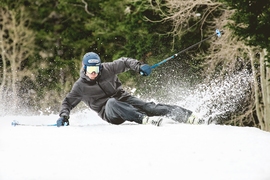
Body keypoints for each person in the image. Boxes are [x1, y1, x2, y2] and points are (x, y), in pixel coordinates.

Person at [57, 52, 205, 127]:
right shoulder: (80, 86)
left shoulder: (108, 69)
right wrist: (64, 116)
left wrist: (139, 67)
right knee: (111, 102)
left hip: (124, 98)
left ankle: (189, 116)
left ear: (100, 66)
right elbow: (68, 102)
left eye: (96, 68)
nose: (94, 73)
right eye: (90, 69)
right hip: (109, 112)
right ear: (84, 68)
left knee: (149, 107)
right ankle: (143, 119)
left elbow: (125, 62)